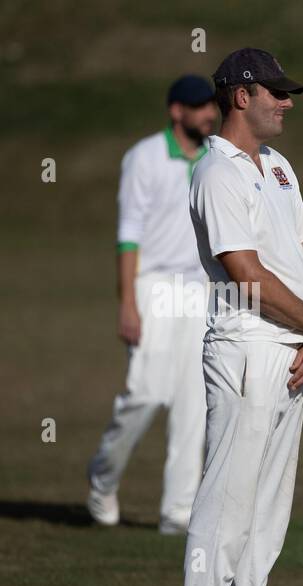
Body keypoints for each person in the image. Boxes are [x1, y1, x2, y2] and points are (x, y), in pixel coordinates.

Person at [176, 49, 303, 586]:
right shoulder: (216, 173)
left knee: (268, 507)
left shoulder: (276, 166)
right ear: (241, 95)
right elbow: (245, 275)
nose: (287, 101)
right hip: (246, 346)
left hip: (291, 351)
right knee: (227, 499)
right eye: (276, 91)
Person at [87, 76, 217, 534]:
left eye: (211, 106)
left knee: (193, 404)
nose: (209, 114)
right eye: (200, 107)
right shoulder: (144, 157)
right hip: (153, 286)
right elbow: (129, 235)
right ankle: (103, 479)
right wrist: (128, 303)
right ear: (176, 111)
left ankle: (178, 511)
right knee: (145, 395)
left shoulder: (216, 157)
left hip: (201, 291)